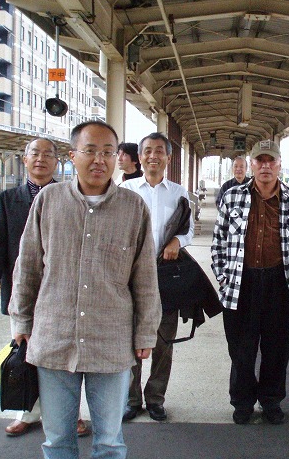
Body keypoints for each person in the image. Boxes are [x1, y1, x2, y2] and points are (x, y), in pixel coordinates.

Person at [8, 120, 161, 459]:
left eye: (108, 152)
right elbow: (28, 265)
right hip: (54, 336)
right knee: (57, 439)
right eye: (90, 151)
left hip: (111, 339)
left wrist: (145, 332)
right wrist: (21, 320)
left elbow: (145, 277)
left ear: (117, 158)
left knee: (109, 441)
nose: (99, 160)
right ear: (72, 155)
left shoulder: (133, 207)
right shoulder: (49, 200)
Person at [0, 139, 90, 438]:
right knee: (24, 352)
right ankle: (26, 413)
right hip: (24, 289)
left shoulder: (71, 196)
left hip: (61, 289)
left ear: (58, 161)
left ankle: (70, 414)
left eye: (48, 154)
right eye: (35, 154)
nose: (41, 159)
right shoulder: (8, 199)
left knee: (65, 356)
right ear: (25, 160)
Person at [211, 140, 289, 425]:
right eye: (260, 160)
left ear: (280, 164)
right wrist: (223, 277)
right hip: (240, 283)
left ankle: (271, 400)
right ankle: (242, 401)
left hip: (282, 283)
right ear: (251, 165)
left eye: (271, 160)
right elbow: (219, 241)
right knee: (241, 350)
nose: (265, 166)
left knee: (276, 349)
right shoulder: (232, 197)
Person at [120, 132, 194, 422]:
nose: (153, 156)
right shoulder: (125, 190)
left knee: (164, 339)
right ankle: (131, 399)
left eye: (159, 151)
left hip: (165, 274)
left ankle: (155, 398)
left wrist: (177, 241)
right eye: (148, 151)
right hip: (130, 275)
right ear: (140, 157)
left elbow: (188, 229)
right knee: (130, 337)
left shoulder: (178, 192)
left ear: (168, 157)